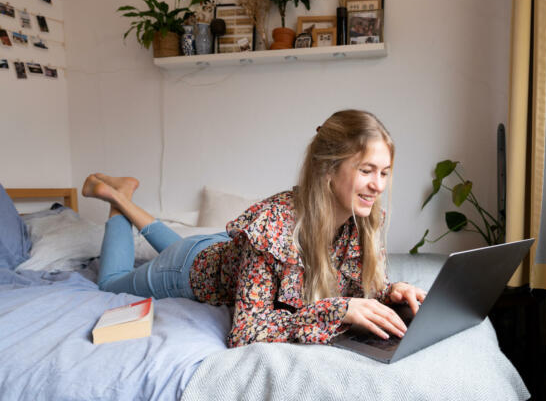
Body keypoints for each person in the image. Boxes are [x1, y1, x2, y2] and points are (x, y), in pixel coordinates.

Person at [83, 109, 426, 348]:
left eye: (384, 172)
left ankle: (124, 198)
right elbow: (246, 331)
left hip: (221, 251)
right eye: (367, 170)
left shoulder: (363, 219)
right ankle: (118, 200)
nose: (378, 185)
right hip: (187, 270)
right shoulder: (274, 224)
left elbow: (351, 284)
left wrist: (390, 292)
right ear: (329, 170)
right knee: (110, 284)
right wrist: (338, 310)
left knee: (180, 246)